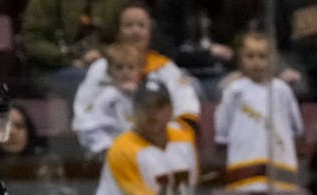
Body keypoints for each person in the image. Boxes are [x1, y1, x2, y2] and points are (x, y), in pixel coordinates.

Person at [72, 2, 201, 138]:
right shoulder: (100, 68)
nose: (135, 31)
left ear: (150, 31)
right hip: (113, 149)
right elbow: (85, 116)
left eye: (141, 25)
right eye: (128, 25)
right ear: (117, 31)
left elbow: (186, 108)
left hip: (160, 147)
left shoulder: (166, 69)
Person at [92, 79, 204, 195]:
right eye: (145, 106)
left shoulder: (184, 139)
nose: (152, 113)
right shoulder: (122, 149)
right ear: (133, 111)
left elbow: (193, 188)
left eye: (159, 105)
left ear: (171, 110)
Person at [212, 31, 303, 191]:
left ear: (273, 59)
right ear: (241, 59)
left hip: (280, 165)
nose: (256, 62)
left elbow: (296, 126)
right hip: (244, 163)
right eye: (250, 56)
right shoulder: (234, 90)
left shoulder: (282, 90)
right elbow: (222, 128)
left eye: (262, 57)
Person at [17, 0, 120, 101]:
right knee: (91, 82)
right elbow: (31, 41)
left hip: (105, 65)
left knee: (127, 82)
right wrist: (69, 59)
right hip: (51, 69)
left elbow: (123, 39)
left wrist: (101, 52)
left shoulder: (115, 4)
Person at [72, 40, 142, 161]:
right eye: (119, 67)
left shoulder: (143, 94)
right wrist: (107, 148)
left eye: (131, 67)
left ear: (139, 71)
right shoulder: (107, 96)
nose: (125, 72)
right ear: (109, 71)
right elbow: (90, 125)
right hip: (112, 151)